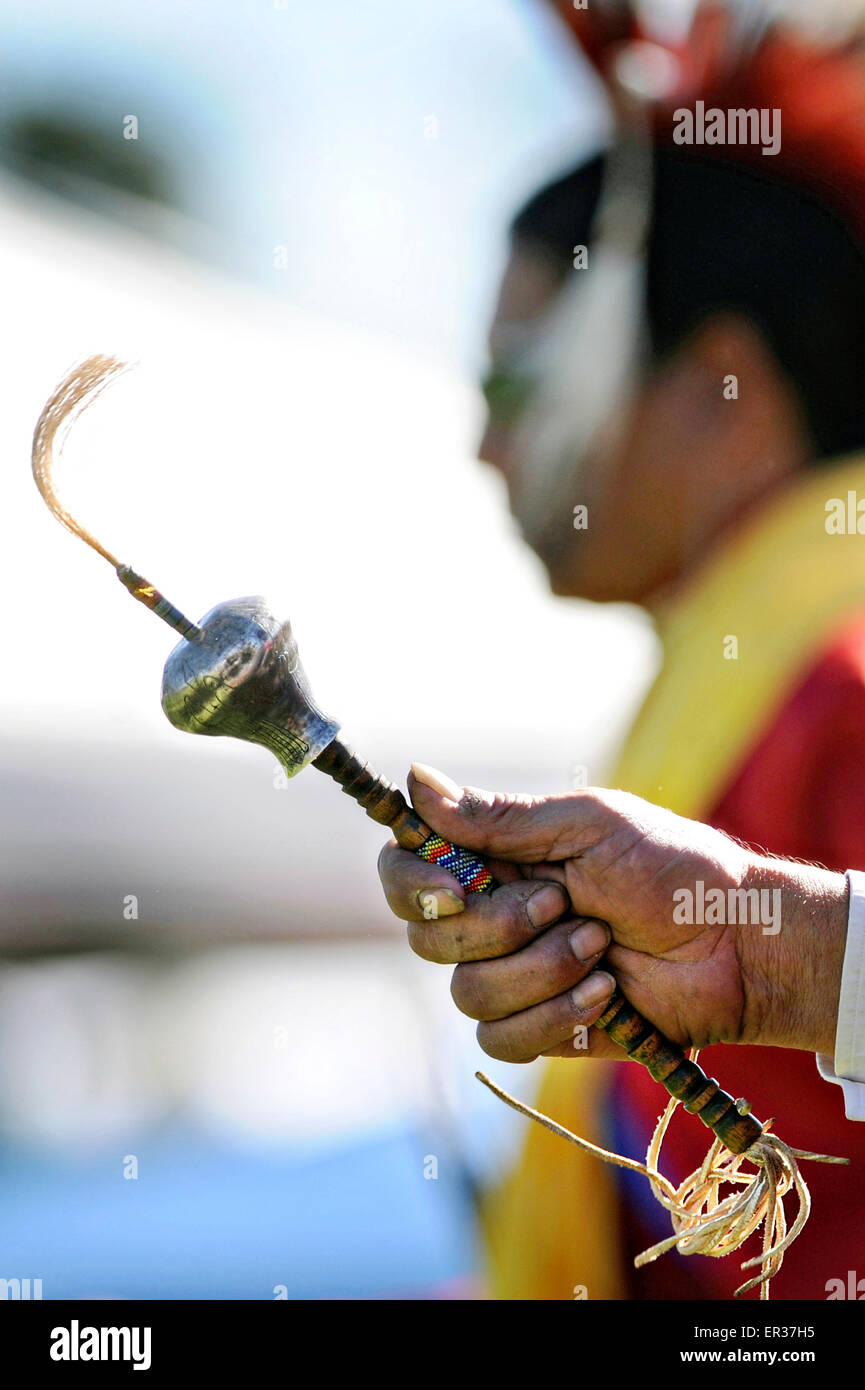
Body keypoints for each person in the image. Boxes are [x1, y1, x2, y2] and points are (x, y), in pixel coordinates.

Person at [383, 15, 865, 1299]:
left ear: (721, 386)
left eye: (519, 387)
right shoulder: (767, 677)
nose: (489, 452)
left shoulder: (839, 688)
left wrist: (796, 962)